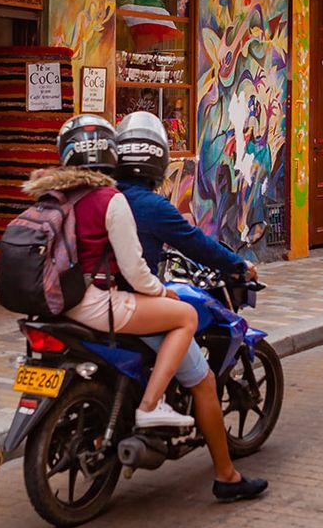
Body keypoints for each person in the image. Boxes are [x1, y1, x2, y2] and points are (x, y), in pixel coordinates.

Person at [116, 111, 268, 502]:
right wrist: (240, 266)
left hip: (96, 302)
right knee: (202, 381)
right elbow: (198, 245)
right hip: (134, 304)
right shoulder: (151, 206)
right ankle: (226, 476)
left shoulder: (104, 196)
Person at [22, 114, 197, 429]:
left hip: (57, 302)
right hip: (96, 305)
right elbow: (134, 270)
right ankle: (151, 404)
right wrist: (161, 292)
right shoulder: (109, 199)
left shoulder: (56, 195)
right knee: (185, 316)